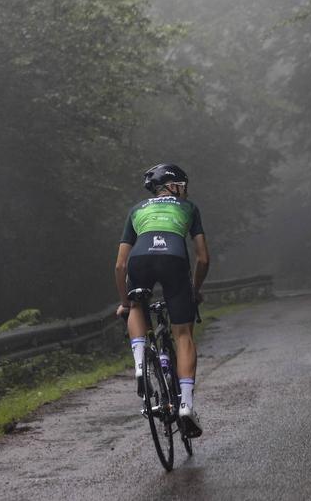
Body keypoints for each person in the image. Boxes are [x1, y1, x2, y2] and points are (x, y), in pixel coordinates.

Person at [114, 163, 209, 437]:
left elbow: (120, 266)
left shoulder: (137, 210)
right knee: (183, 336)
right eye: (183, 186)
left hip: (139, 261)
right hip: (175, 261)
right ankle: (186, 406)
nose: (185, 191)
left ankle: (141, 365)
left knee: (135, 306)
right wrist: (194, 290)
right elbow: (203, 257)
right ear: (173, 186)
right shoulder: (189, 208)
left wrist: (125, 301)